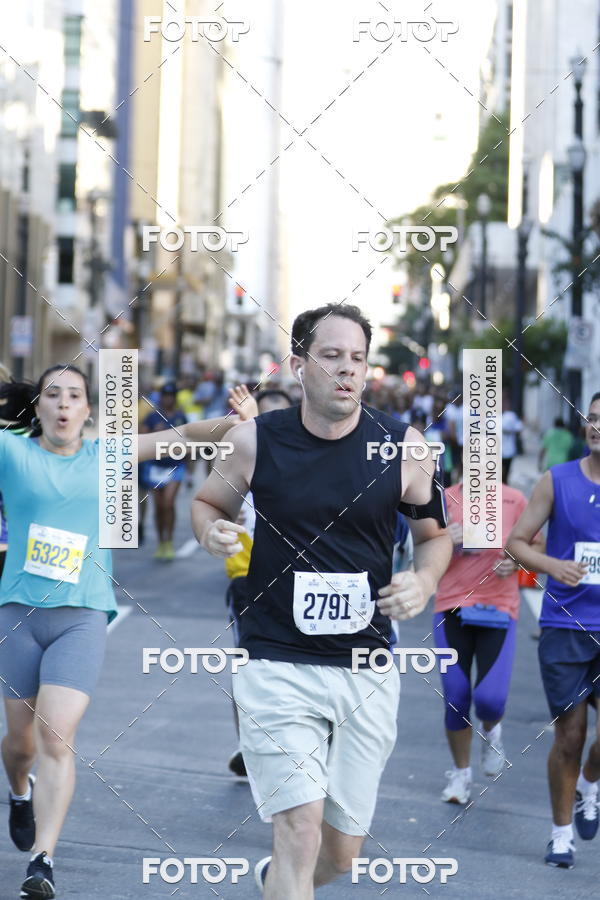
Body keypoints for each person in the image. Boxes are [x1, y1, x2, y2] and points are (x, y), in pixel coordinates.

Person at [191, 303, 452, 898]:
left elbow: (434, 537)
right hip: (276, 660)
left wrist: (425, 580)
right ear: (299, 364)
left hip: (365, 667)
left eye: (357, 358)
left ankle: (279, 882)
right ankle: (287, 873)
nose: (346, 370)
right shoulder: (255, 441)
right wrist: (210, 530)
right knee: (299, 829)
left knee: (338, 855)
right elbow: (208, 503)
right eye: (331, 356)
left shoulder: (402, 447)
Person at [0, 364, 243, 899]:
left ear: (89, 410)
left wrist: (240, 424)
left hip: (82, 617)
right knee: (19, 745)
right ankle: (20, 789)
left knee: (55, 736)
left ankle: (42, 861)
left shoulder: (106, 455)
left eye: (75, 396)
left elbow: (184, 437)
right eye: (53, 396)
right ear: (37, 408)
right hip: (17, 615)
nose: (64, 405)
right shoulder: (10, 452)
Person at [506, 392, 600, 870]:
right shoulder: (557, 480)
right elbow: (517, 542)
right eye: (594, 419)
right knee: (570, 733)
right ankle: (560, 835)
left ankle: (590, 781)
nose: (598, 427)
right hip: (567, 624)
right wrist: (553, 567)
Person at [434, 479, 531, 805]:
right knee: (456, 697)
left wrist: (517, 562)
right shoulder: (444, 499)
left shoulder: (515, 499)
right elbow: (417, 547)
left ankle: (491, 732)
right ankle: (460, 774)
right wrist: (443, 539)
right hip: (451, 606)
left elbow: (537, 548)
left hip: (499, 609)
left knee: (490, 700)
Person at [141, 382, 188, 561]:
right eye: (165, 395)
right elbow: (141, 439)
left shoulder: (180, 417)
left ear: (175, 398)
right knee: (159, 507)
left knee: (168, 503)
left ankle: (169, 541)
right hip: (155, 466)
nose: (168, 399)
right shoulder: (152, 417)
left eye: (171, 396)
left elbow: (188, 440)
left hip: (175, 466)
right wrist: (154, 433)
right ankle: (161, 542)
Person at [502, 397, 523, 484]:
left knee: (505, 473)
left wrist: (509, 431)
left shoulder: (510, 416)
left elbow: (519, 429)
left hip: (508, 450)